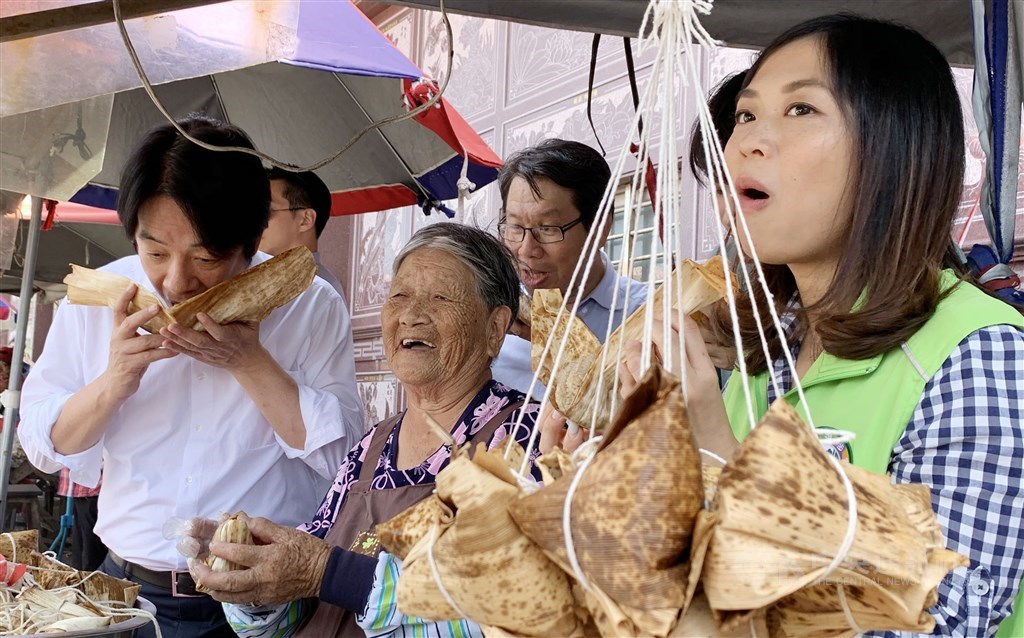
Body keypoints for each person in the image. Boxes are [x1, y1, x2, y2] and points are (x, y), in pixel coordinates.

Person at [619, 15, 1024, 636]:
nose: (746, 143)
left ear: (894, 150)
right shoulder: (764, 355)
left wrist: (722, 456)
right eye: (747, 116)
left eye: (802, 109)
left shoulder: (977, 355)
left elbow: (943, 619)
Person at [18, 115, 364, 637]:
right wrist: (114, 382)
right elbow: (44, 446)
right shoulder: (101, 297)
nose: (176, 281)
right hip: (128, 593)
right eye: (155, 252)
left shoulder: (311, 305)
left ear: (251, 241)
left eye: (207, 256)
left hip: (260, 600)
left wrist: (250, 362)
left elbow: (345, 460)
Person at [182, 223, 549, 637]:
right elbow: (293, 609)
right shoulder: (371, 447)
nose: (411, 315)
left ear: (495, 328)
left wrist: (328, 573)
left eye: (441, 297)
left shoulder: (528, 439)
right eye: (399, 295)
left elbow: (501, 609)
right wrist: (250, 571)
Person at [492, 139, 647, 397]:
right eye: (515, 226)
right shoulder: (494, 314)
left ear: (600, 229)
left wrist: (558, 342)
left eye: (548, 228)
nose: (526, 249)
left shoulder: (646, 318)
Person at [259, 168, 346, 298]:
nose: (255, 221)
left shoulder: (322, 294)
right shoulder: (262, 278)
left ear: (305, 220)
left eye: (265, 211)